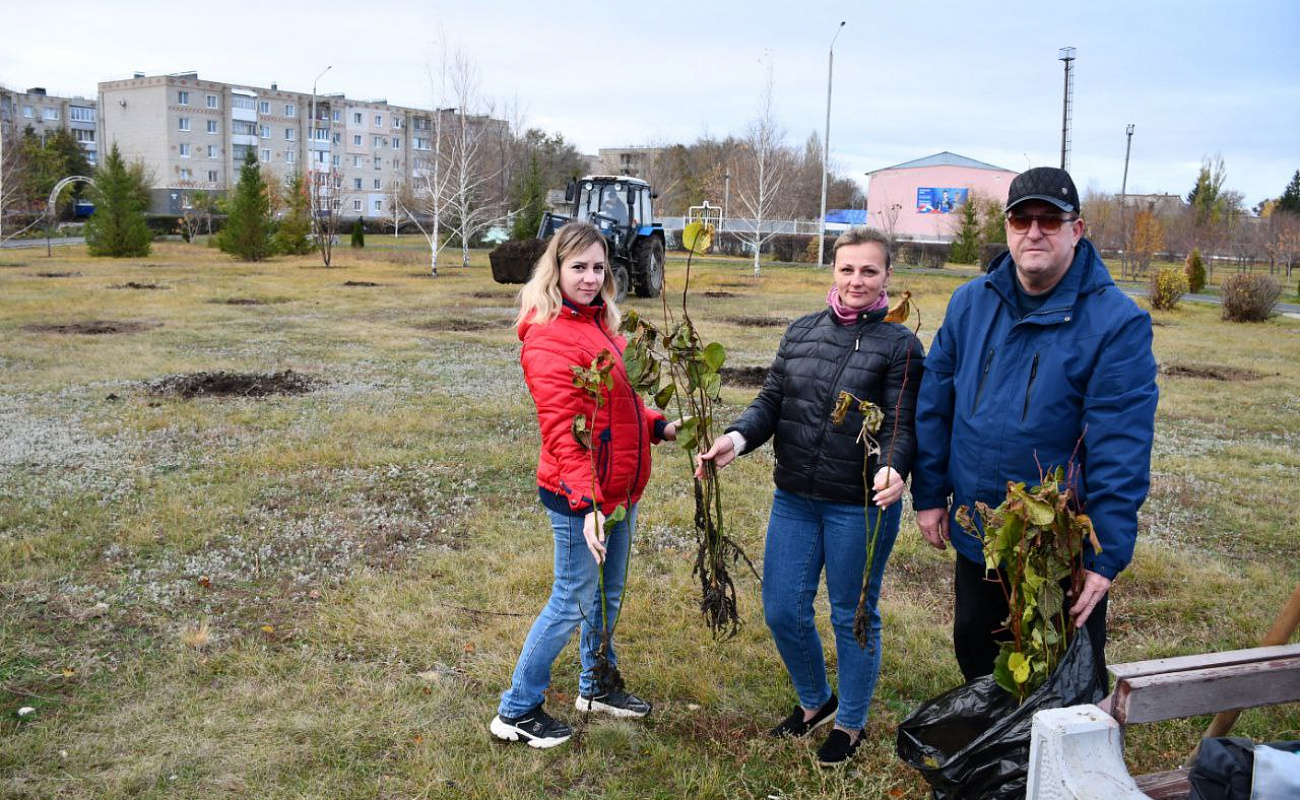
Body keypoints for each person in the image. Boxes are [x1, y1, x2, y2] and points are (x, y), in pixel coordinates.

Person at [910, 166, 1159, 687]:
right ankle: (996, 759)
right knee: (976, 647)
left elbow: (1120, 446)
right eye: (1022, 219)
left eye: (1051, 219)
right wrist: (931, 493)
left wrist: (1105, 552)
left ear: (1077, 229)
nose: (1035, 231)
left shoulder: (1116, 323)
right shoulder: (970, 302)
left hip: (1058, 545)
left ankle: (1054, 766)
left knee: (1061, 670)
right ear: (1007, 227)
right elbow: (936, 402)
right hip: (980, 527)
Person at [696, 227, 924, 766]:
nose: (856, 281)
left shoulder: (901, 346)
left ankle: (851, 723)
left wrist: (895, 467)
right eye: (847, 269)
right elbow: (772, 400)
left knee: (852, 614)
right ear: (833, 271)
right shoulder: (801, 333)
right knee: (781, 608)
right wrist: (736, 437)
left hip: (859, 505)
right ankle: (816, 701)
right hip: (795, 498)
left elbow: (900, 422)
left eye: (869, 271)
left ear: (887, 276)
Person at [491, 221, 679, 748]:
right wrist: (589, 504)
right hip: (581, 496)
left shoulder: (598, 325)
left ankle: (595, 684)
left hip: (616, 491)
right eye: (579, 267)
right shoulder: (549, 338)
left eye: (598, 268)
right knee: (571, 599)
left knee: (606, 595)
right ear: (556, 271)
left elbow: (615, 410)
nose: (591, 278)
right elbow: (563, 435)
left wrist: (657, 425)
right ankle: (516, 710)